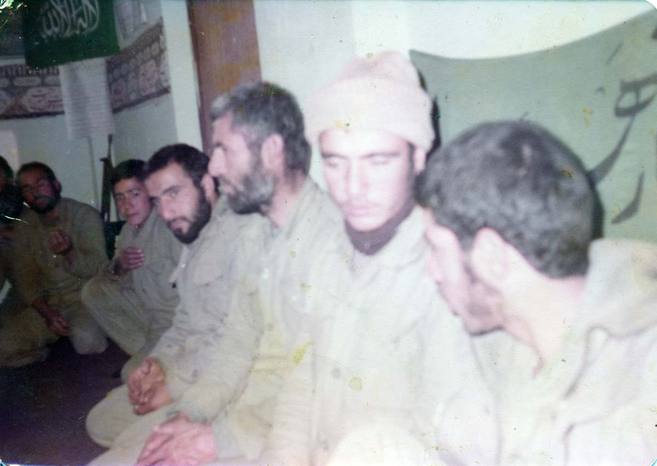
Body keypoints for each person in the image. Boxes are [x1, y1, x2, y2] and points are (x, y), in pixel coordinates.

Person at [262, 51, 484, 465]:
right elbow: (301, 382)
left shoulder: (449, 271)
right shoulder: (325, 250)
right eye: (335, 163)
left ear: (419, 158)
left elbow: (457, 447)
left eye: (377, 161)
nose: (353, 187)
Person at [415, 120, 657, 464]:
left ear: (492, 257)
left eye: (437, 249)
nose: (432, 272)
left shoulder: (643, 379)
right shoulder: (500, 349)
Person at [85, 143, 267, 457]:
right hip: (191, 364)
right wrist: (158, 362)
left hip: (228, 383)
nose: (165, 212)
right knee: (100, 422)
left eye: (173, 193)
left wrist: (173, 385)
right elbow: (184, 319)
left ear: (207, 184)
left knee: (130, 447)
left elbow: (237, 345)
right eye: (158, 200)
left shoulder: (245, 235)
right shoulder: (194, 235)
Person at [81, 159, 181, 381]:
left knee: (131, 376)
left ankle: (164, 361)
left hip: (176, 323)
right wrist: (121, 266)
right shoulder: (128, 230)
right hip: (150, 316)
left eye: (134, 194)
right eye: (120, 198)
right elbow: (114, 279)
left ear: (151, 192)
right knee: (93, 291)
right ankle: (146, 355)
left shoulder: (170, 226)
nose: (126, 205)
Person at [14, 162, 108, 355]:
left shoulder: (84, 215)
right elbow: (25, 279)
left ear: (56, 185)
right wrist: (47, 313)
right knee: (4, 345)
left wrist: (69, 252)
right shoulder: (24, 226)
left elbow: (99, 268)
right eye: (27, 189)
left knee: (87, 342)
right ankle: (41, 355)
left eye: (40, 184)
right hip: (48, 304)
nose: (35, 193)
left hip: (83, 301)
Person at [0, 184, 58, 366]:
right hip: (20, 295)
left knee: (3, 346)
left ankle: (37, 349)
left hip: (48, 295)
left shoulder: (35, 217)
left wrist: (11, 235)